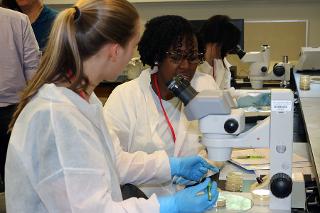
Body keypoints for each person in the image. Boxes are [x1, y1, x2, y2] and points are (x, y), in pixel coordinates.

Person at [5, 1, 219, 212]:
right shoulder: (58, 115)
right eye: (133, 47)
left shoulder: (83, 98)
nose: (133, 57)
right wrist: (168, 206)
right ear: (115, 51)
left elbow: (112, 161)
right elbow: (91, 210)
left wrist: (172, 166)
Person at [103, 15, 219, 197]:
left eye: (192, 57)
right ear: (157, 56)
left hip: (195, 197)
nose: (186, 66)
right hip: (141, 202)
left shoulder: (205, 87)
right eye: (176, 57)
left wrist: (205, 167)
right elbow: (111, 163)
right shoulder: (125, 96)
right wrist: (171, 167)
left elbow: (219, 146)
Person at [0, 6, 40, 188]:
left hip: (15, 113)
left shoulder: (19, 20)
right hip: (15, 114)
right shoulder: (19, 20)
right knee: (18, 185)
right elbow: (33, 69)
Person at [197, 15, 241, 90]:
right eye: (226, 49)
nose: (227, 54)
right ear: (216, 45)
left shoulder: (222, 63)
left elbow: (225, 91)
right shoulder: (194, 66)